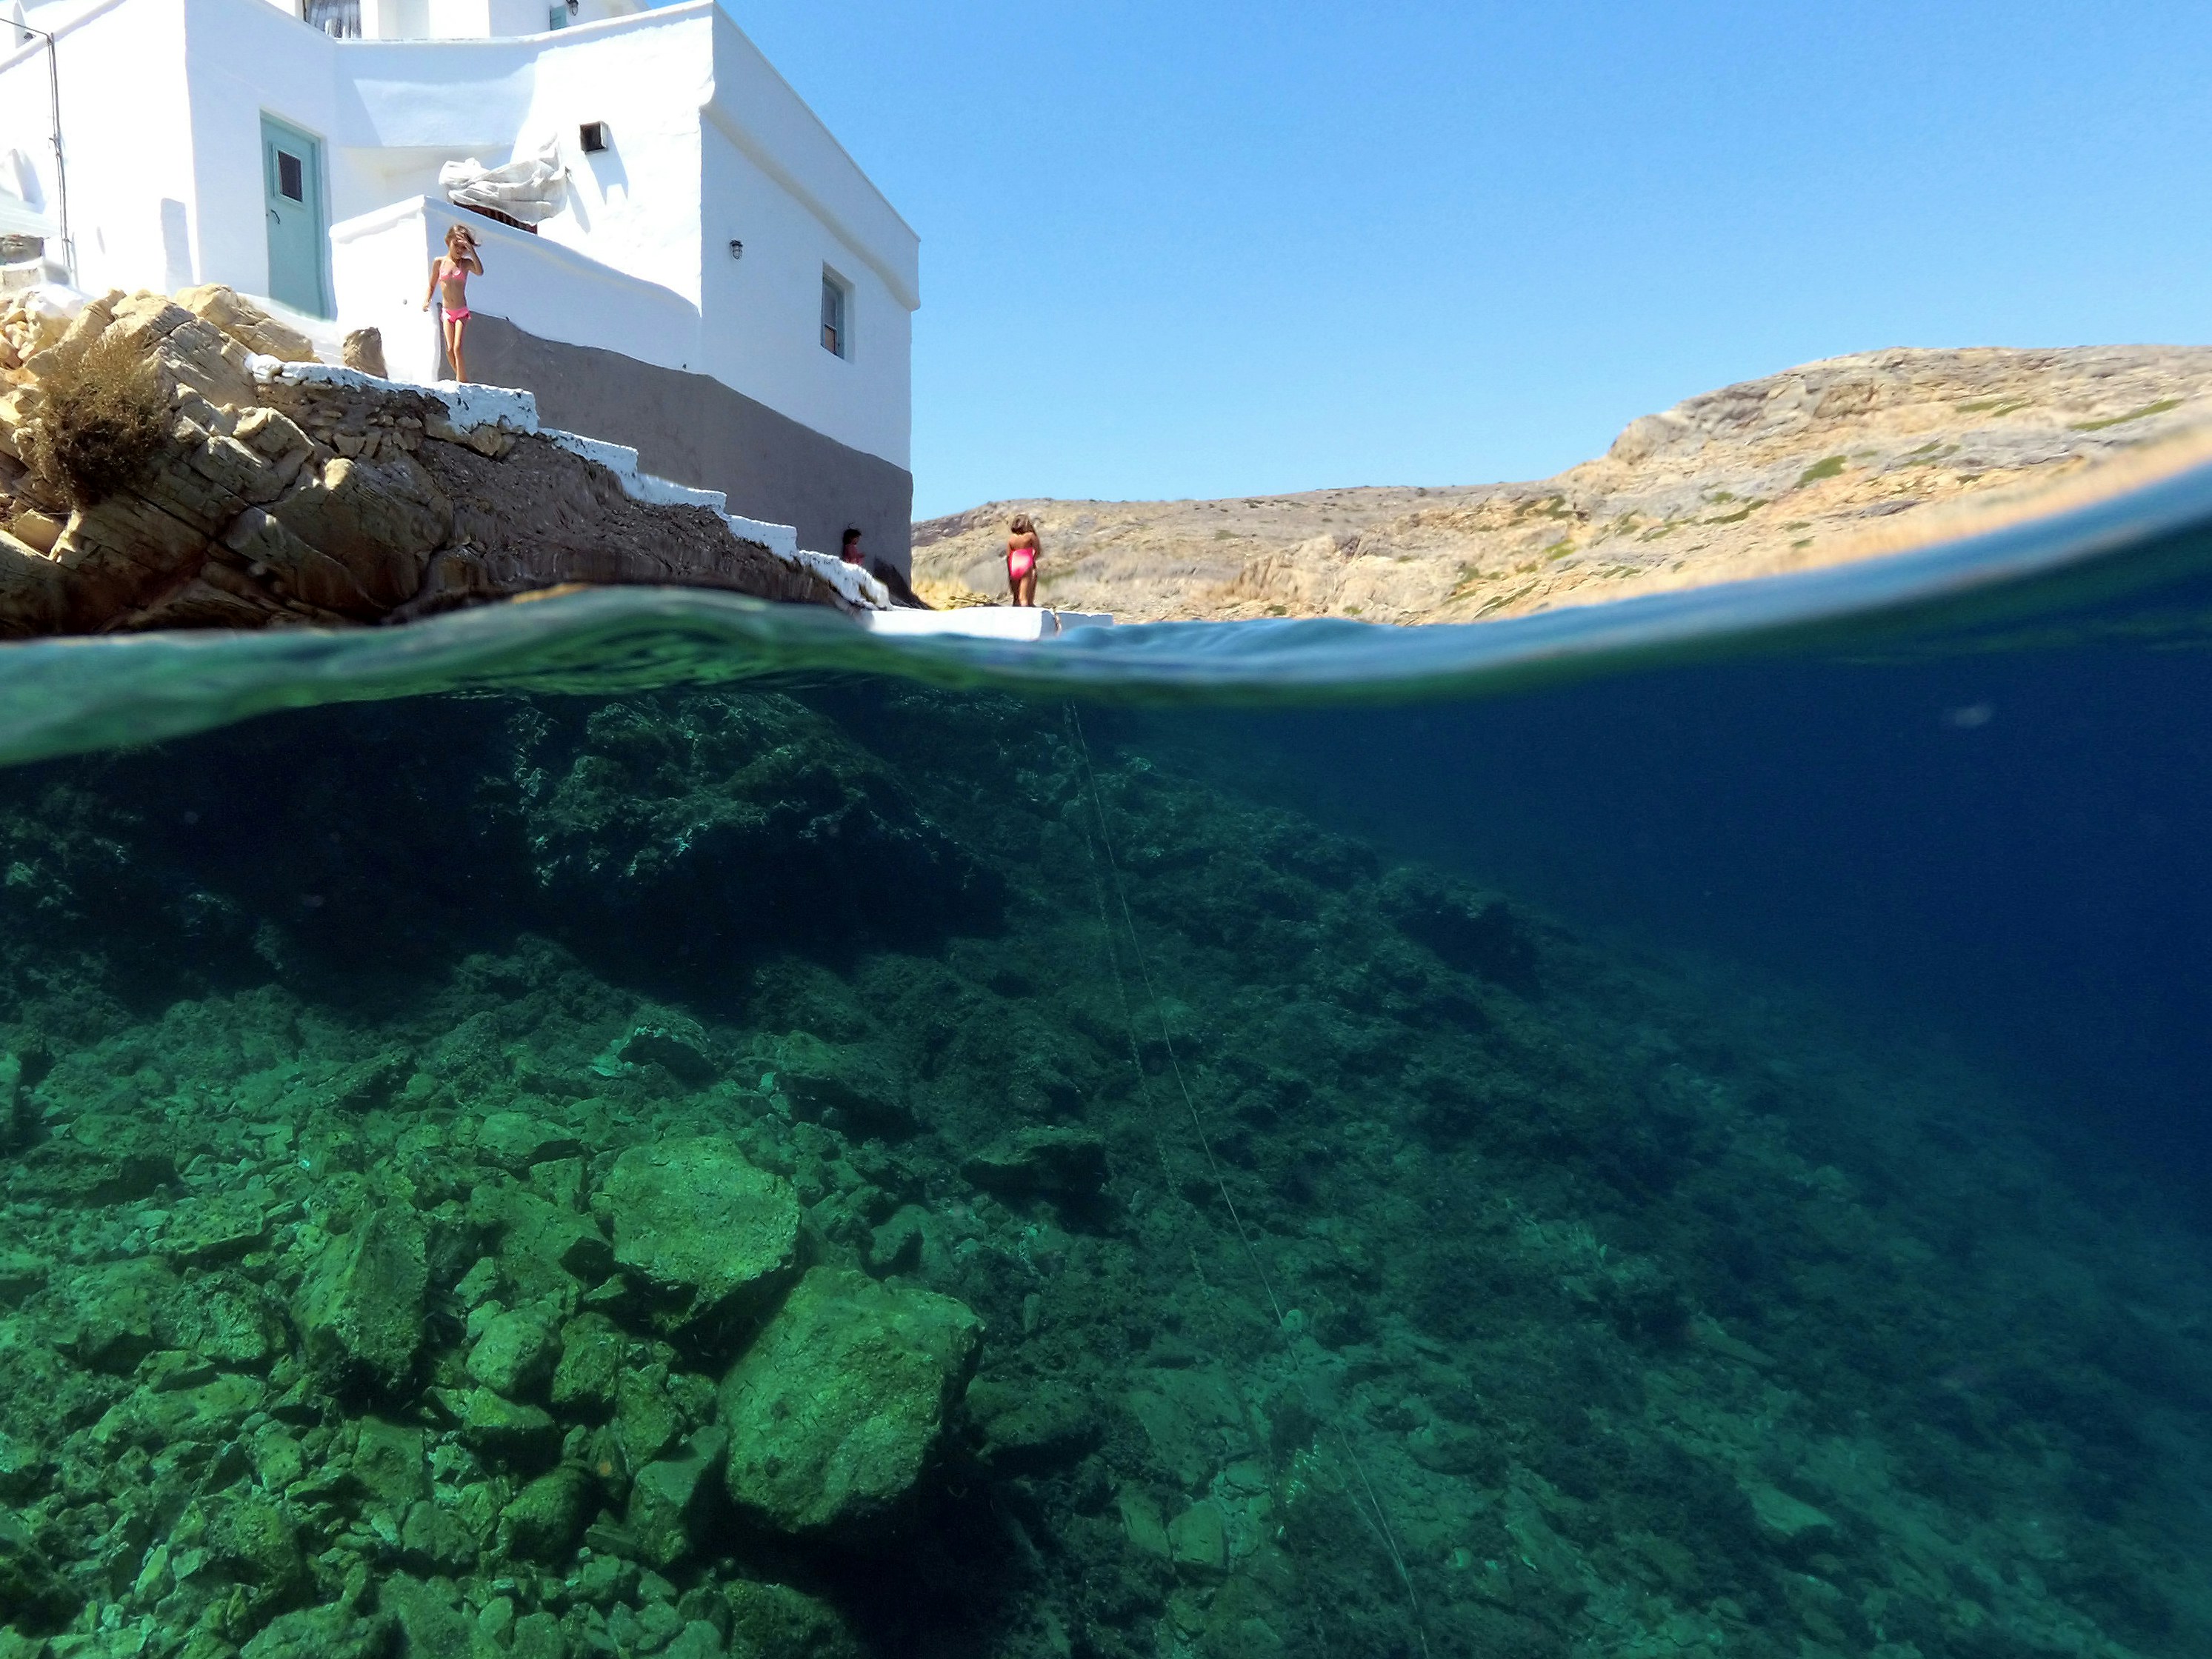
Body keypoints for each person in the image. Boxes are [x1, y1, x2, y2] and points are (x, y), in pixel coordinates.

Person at [422, 223, 484, 384]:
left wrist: (471, 251)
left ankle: (461, 381)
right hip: (447, 312)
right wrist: (427, 299)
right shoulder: (439, 262)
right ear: (447, 241)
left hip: (461, 311)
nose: (459, 250)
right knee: (449, 350)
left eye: (463, 248)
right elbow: (432, 285)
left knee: (457, 347)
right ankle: (462, 379)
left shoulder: (465, 264)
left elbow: (480, 272)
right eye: (456, 245)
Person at [841, 527, 931, 608]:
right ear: (851, 538)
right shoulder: (850, 548)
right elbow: (852, 559)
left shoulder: (851, 547)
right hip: (853, 571)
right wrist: (860, 557)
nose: (857, 540)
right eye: (856, 538)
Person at [1005, 513, 1041, 607]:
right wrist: (1032, 560)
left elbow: (1008, 555)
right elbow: (1038, 551)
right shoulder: (1030, 536)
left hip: (1014, 563)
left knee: (1016, 597)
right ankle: (1026, 612)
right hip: (1025, 561)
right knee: (1023, 597)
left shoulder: (1011, 538)